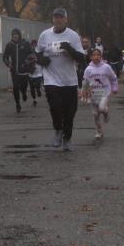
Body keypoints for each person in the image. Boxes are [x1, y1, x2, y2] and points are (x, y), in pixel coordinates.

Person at [36, 8, 86, 151]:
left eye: (60, 17)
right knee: (55, 106)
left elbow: (81, 58)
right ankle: (58, 130)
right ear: (52, 19)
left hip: (69, 80)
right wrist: (41, 60)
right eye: (55, 17)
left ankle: (67, 139)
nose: (57, 20)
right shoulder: (45, 35)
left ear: (65, 20)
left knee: (70, 112)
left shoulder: (73, 35)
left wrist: (69, 49)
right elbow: (38, 53)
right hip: (51, 78)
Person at [82, 47, 118, 141]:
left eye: (98, 55)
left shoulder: (106, 67)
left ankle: (106, 113)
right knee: (95, 114)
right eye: (94, 55)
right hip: (93, 94)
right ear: (90, 57)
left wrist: (114, 87)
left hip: (104, 92)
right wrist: (83, 92)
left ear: (101, 56)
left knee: (101, 108)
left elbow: (113, 78)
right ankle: (99, 131)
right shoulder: (88, 69)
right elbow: (85, 82)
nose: (96, 57)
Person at [2, 28, 35, 113]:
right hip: (14, 71)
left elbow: (32, 54)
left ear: (19, 36)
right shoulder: (9, 45)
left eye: (16, 36)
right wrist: (8, 64)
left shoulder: (25, 43)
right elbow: (5, 57)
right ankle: (18, 104)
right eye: (13, 36)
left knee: (23, 86)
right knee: (15, 87)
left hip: (24, 70)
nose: (15, 37)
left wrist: (29, 61)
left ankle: (24, 93)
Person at [27, 39, 44, 107]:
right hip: (31, 72)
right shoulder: (28, 53)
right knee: (32, 88)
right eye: (32, 44)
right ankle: (34, 99)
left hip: (39, 71)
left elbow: (43, 60)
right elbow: (26, 61)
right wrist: (32, 61)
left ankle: (38, 89)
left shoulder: (40, 52)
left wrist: (38, 60)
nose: (34, 46)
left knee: (37, 84)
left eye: (35, 44)